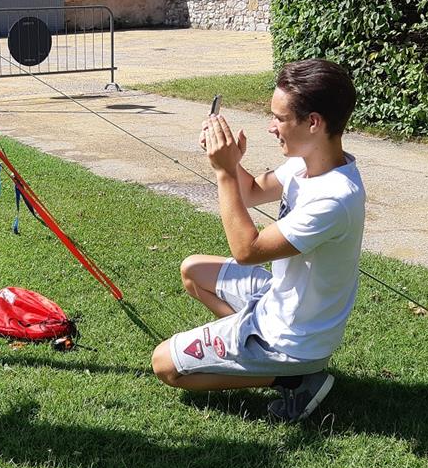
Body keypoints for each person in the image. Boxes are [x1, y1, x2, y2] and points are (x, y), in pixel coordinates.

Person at [151, 59, 365, 422]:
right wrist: (230, 160)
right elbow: (250, 191)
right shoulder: (306, 164)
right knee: (194, 270)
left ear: (313, 122)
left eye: (279, 118)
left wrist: (224, 172)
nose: (271, 126)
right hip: (278, 300)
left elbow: (246, 250)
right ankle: (249, 346)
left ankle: (293, 376)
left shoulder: (335, 197)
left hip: (296, 336)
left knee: (164, 365)